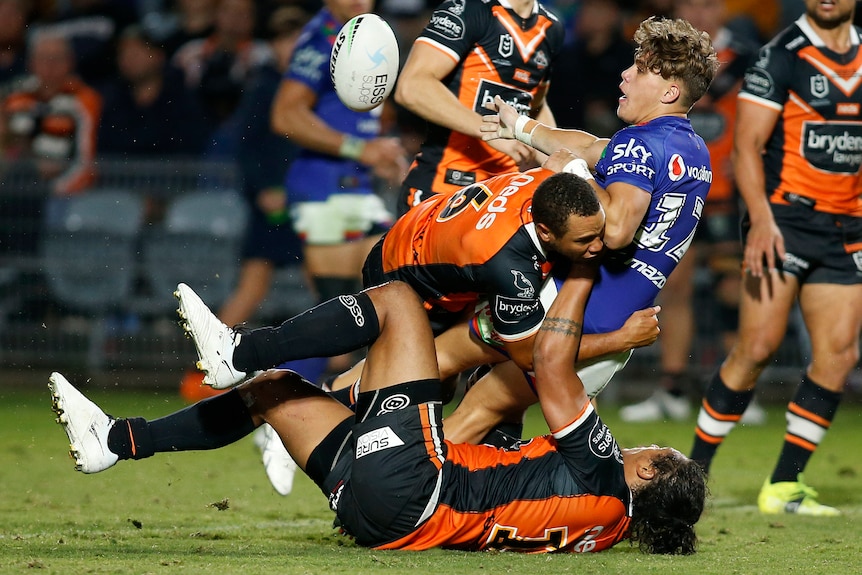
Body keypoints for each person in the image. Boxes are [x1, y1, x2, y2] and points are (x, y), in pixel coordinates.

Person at [49, 267, 707, 555]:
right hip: (380, 520)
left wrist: (584, 271)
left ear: (652, 474)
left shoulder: (601, 471)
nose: (639, 446)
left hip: (415, 485)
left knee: (395, 302)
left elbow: (554, 370)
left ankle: (237, 348)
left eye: (655, 454)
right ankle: (116, 439)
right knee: (271, 392)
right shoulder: (609, 528)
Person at [442, 14, 719, 445]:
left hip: (575, 312)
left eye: (640, 70)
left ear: (669, 90)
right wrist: (521, 127)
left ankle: (386, 487)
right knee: (481, 401)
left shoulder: (641, 143)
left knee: (468, 392)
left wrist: (569, 173)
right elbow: (589, 146)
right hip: (615, 324)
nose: (625, 75)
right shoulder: (690, 147)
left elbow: (617, 230)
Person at [688, 0, 862, 516]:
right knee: (757, 348)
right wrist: (761, 221)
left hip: (846, 230)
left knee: (838, 355)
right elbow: (746, 148)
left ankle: (784, 486)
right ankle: (693, 476)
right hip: (784, 220)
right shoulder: (781, 55)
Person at [618, 0, 764, 424]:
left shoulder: (748, 60)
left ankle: (737, 395)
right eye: (690, 5)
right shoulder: (664, 64)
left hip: (727, 193)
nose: (699, 12)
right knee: (671, 287)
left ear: (721, 9)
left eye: (707, 4)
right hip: (674, 188)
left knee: (732, 290)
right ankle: (672, 389)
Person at [268, 0, 407, 372]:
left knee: (373, 305)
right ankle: (274, 403)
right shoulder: (322, 38)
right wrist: (360, 148)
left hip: (353, 188)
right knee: (350, 316)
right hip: (324, 189)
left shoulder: (363, 31)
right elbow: (285, 113)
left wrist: (382, 151)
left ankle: (290, 403)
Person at [393, 0, 564, 216]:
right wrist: (492, 131)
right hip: (443, 190)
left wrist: (559, 158)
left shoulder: (551, 27)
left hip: (505, 198)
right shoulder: (466, 10)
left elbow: (535, 105)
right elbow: (411, 87)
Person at [97, 25, 208, 158]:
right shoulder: (111, 101)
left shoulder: (182, 100)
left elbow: (191, 149)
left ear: (158, 55)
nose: (129, 58)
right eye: (123, 53)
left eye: (136, 52)